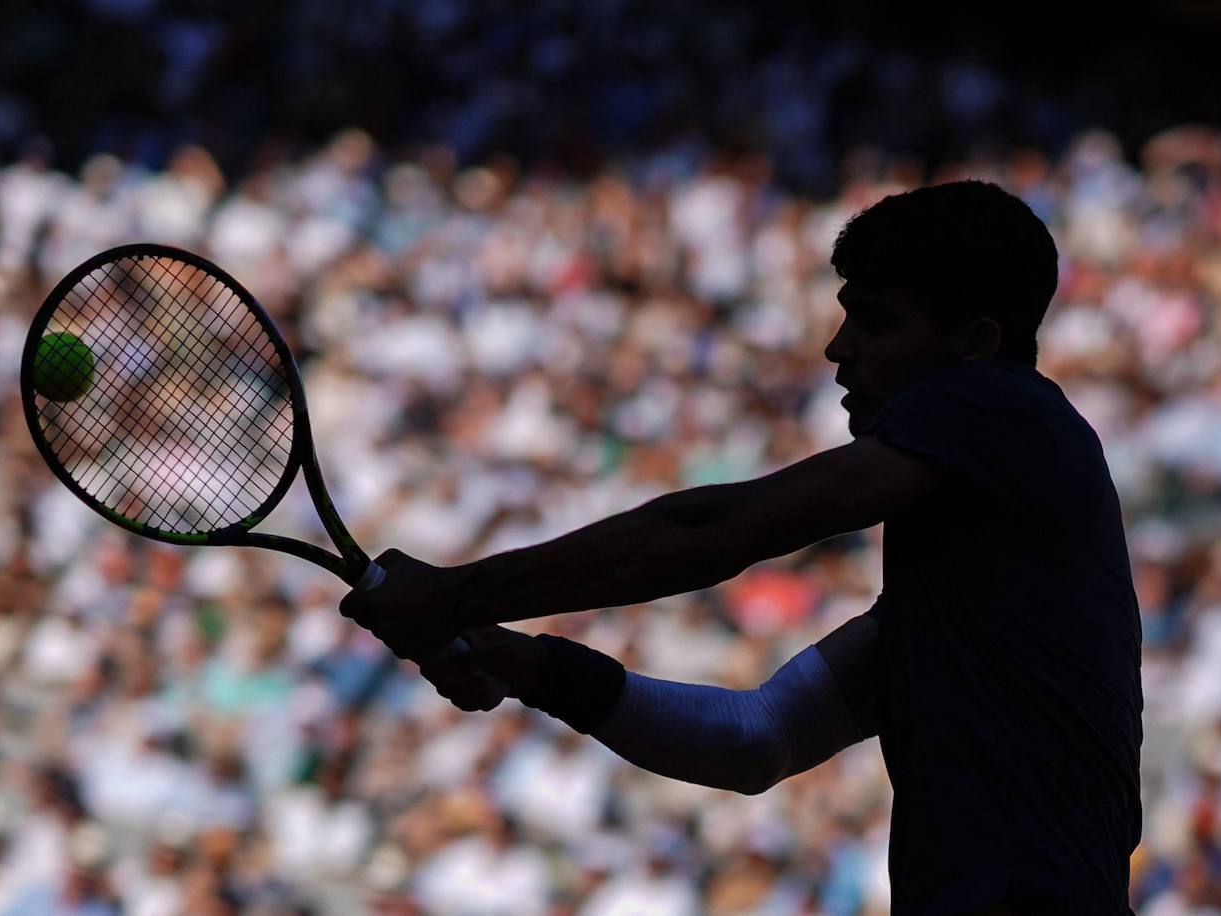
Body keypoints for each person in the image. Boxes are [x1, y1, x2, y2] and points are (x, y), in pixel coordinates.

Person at [340, 179, 1144, 916]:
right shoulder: (979, 597)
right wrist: (536, 668)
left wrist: (453, 595)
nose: (839, 348)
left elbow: (712, 532)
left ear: (974, 344)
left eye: (876, 320)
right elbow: (756, 739)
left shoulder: (1007, 408)